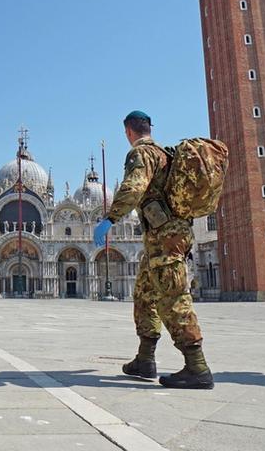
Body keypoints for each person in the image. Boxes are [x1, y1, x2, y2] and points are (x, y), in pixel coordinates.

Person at [96, 111, 213, 389]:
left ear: (128, 132)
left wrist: (110, 218)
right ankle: (145, 359)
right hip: (162, 238)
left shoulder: (143, 154)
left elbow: (134, 187)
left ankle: (197, 366)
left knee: (172, 296)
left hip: (166, 238)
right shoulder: (167, 155)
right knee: (145, 295)